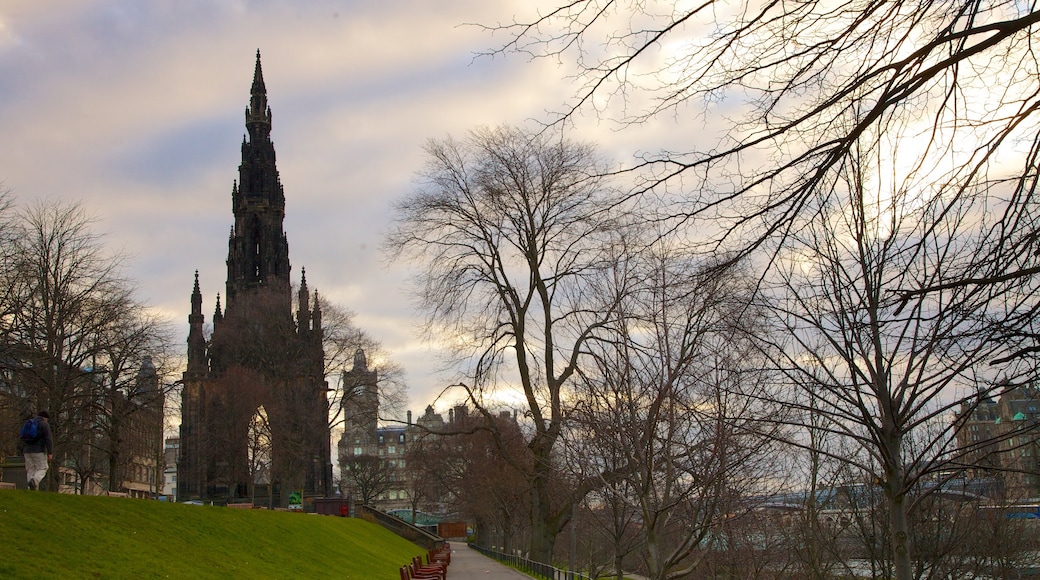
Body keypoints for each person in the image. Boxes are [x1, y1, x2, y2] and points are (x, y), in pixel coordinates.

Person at [22, 410, 53, 491]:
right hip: (38, 450)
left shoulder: (29, 423)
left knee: (30, 469)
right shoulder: (44, 424)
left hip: (27, 450)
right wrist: (50, 452)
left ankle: (31, 489)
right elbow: (48, 439)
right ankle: (34, 481)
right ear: (45, 418)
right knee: (43, 468)